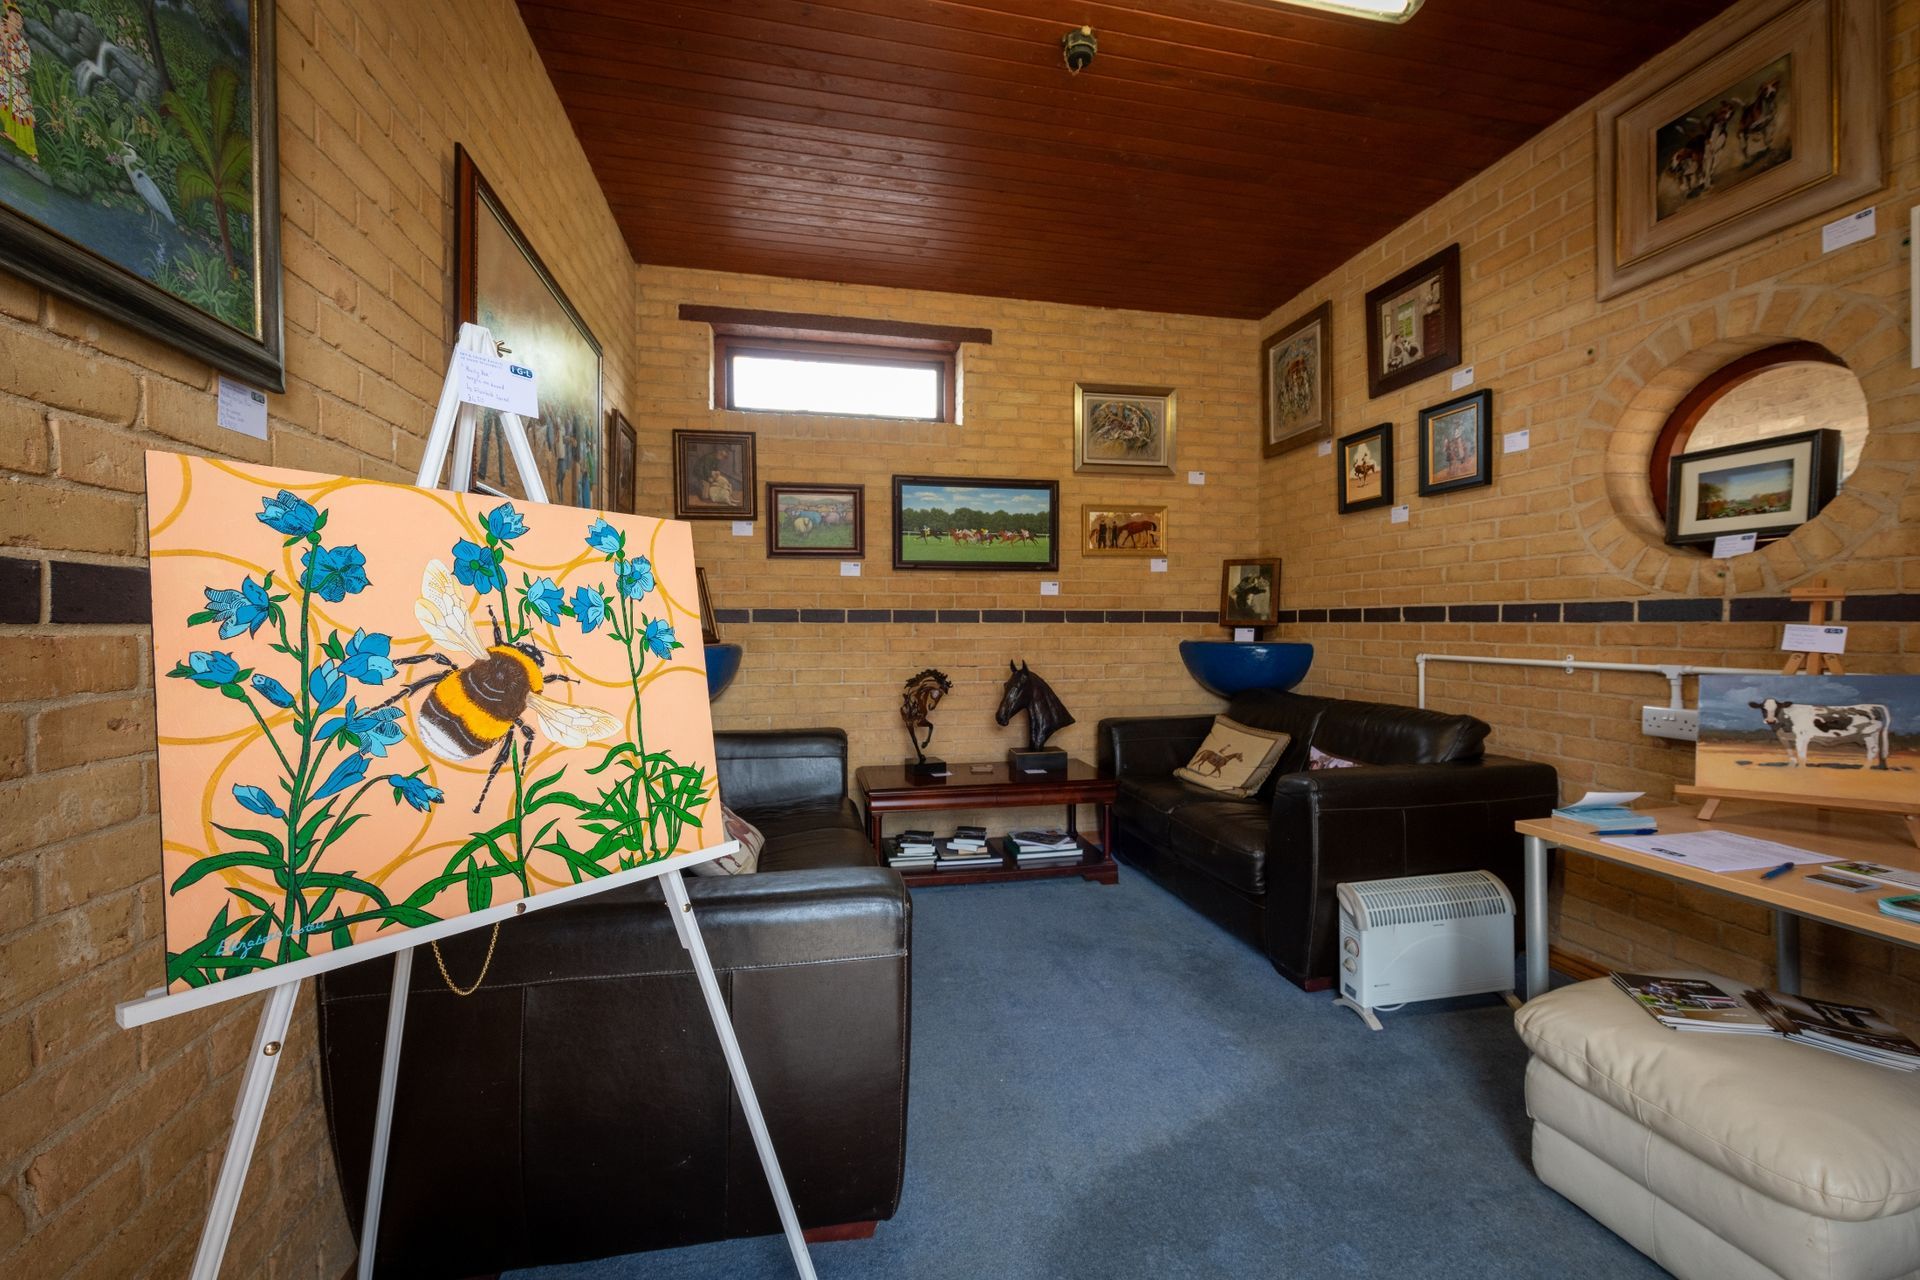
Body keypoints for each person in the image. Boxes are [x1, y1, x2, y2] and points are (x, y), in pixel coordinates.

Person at [0, 3, 36, 163]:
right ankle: (9, 133)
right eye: (15, 18)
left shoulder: (22, 44)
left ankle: (31, 150)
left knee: (21, 112)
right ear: (7, 18)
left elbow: (20, 66)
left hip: (15, 82)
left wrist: (6, 41)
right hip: (2, 78)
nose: (19, 22)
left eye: (20, 20)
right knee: (4, 105)